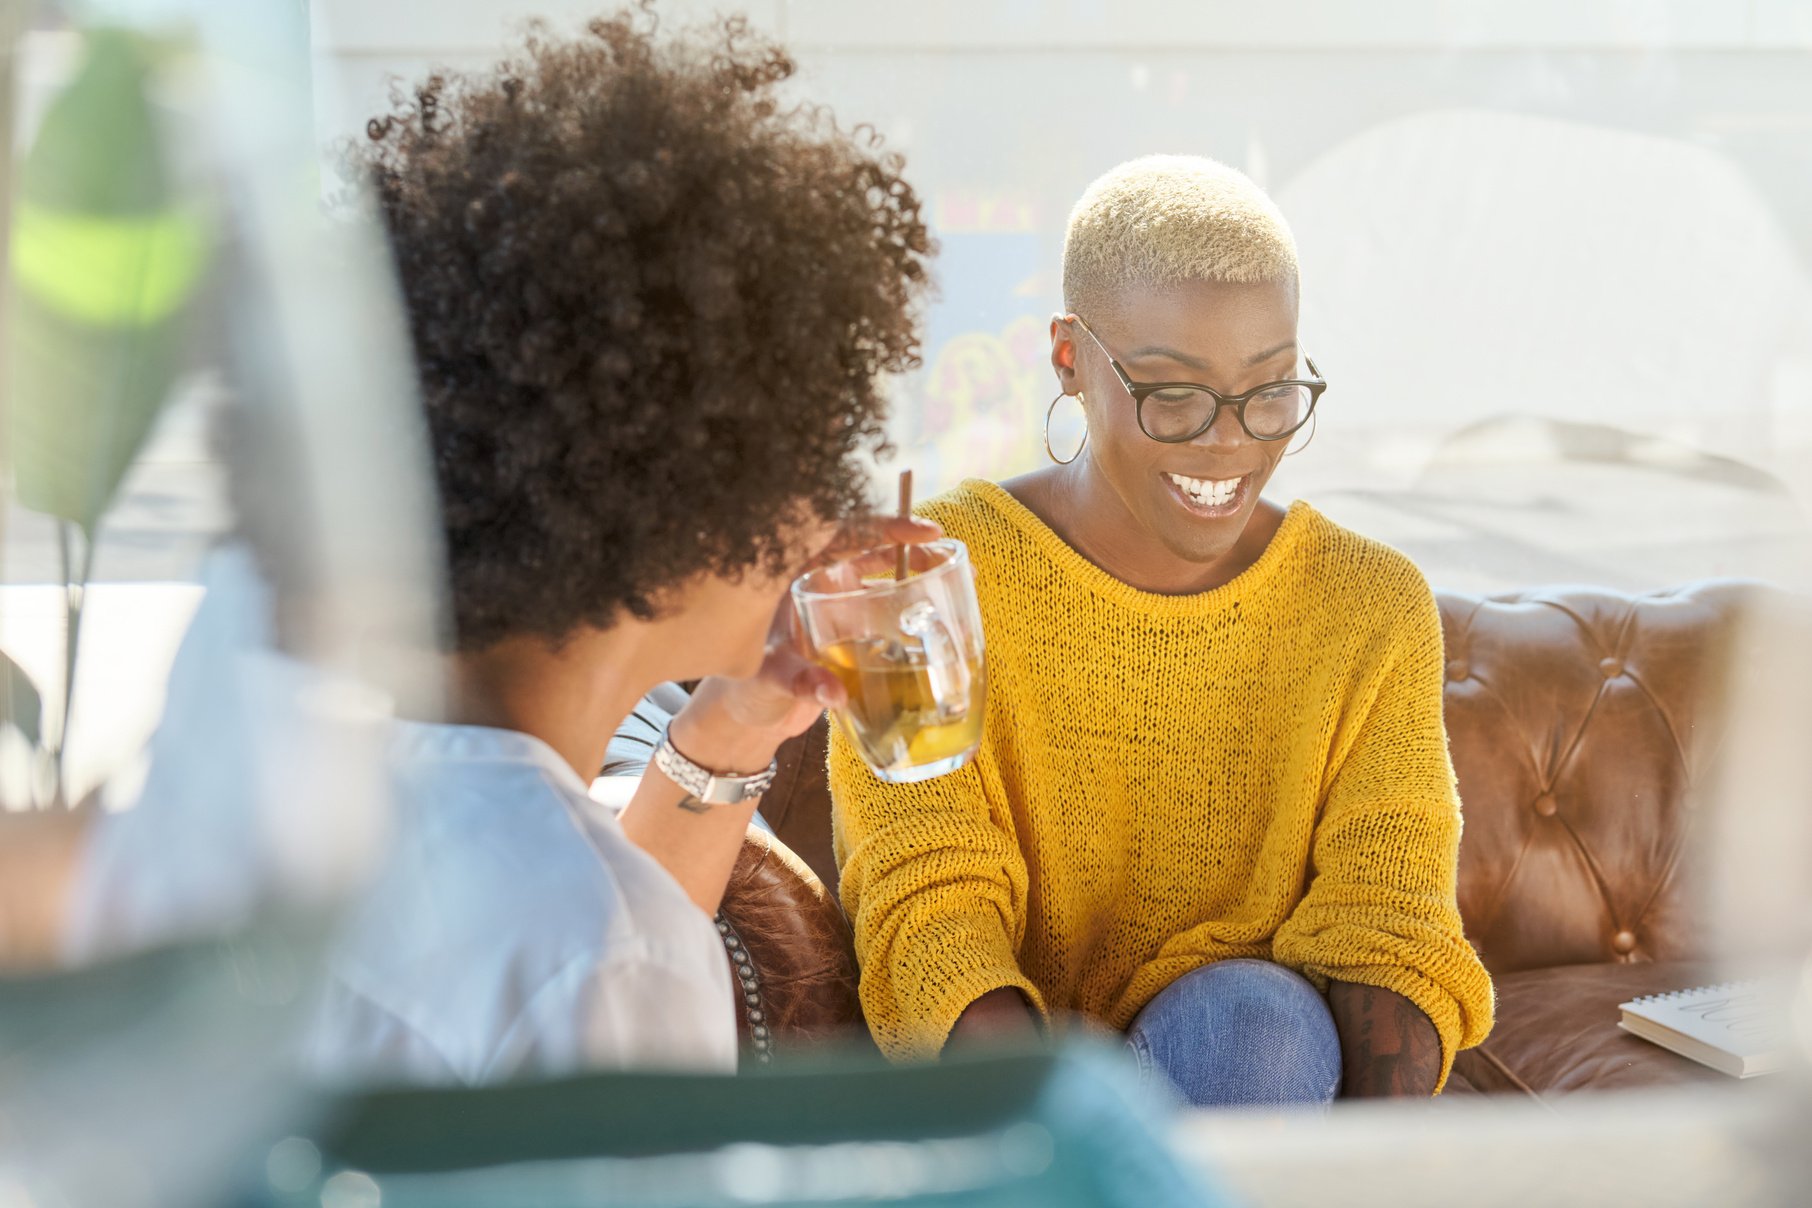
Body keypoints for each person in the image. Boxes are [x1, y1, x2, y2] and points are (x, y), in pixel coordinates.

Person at [301, 9, 936, 1084]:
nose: (823, 522)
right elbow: (590, 963)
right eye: (804, 455)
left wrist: (732, 730)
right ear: (685, 500)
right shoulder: (605, 946)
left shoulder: (308, 810)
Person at [829, 155, 1493, 1107]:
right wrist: (1062, 1131)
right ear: (1068, 357)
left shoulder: (1370, 605)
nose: (1227, 443)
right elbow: (926, 902)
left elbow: (1387, 921)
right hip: (1025, 1094)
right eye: (1172, 394)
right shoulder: (917, 578)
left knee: (1255, 1024)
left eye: (1269, 391)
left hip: (1263, 1080)